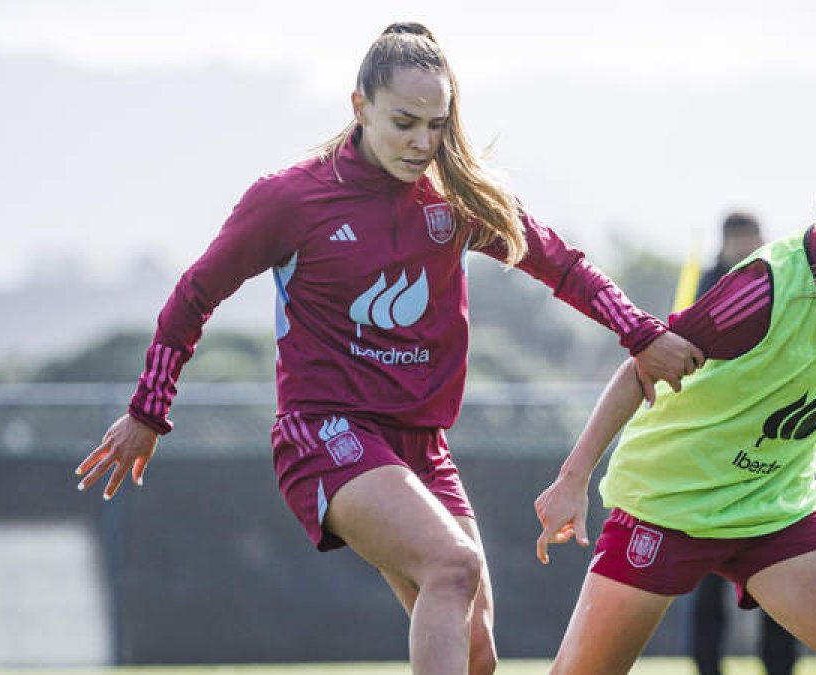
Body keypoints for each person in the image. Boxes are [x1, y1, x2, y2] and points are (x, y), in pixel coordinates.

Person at [73, 22, 702, 675]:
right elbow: (194, 294)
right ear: (359, 106)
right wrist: (148, 411)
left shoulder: (455, 201)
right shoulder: (290, 198)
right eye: (405, 122)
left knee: (479, 648)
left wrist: (642, 332)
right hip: (325, 434)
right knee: (452, 566)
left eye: (436, 125)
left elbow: (561, 264)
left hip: (422, 446)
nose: (422, 142)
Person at [535, 129, 816, 675]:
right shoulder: (765, 289)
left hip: (772, 505)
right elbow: (642, 366)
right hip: (669, 499)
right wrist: (572, 478)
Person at [687, 211, 802, 675]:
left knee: (779, 574)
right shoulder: (709, 287)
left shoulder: (782, 282)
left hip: (769, 451)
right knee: (704, 579)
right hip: (712, 455)